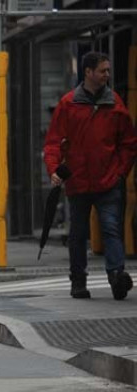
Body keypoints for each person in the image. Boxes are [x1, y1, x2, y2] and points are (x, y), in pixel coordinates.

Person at [44, 51, 137, 300]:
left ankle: (117, 276)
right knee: (78, 233)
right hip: (79, 182)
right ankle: (78, 281)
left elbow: (128, 143)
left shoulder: (115, 104)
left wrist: (120, 173)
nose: (108, 74)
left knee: (111, 229)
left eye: (108, 70)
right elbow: (53, 142)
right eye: (103, 70)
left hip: (108, 181)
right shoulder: (68, 104)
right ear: (88, 72)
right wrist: (53, 169)